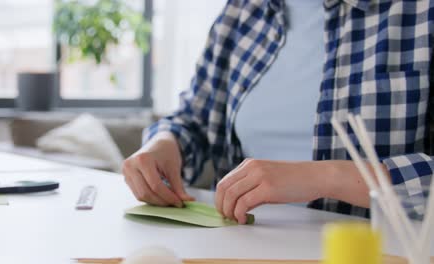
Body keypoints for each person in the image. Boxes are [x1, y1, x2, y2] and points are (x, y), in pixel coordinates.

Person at [122, 0, 434, 224]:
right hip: (241, 247)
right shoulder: (242, 12)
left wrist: (328, 176)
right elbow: (195, 120)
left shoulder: (420, 14)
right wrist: (165, 144)